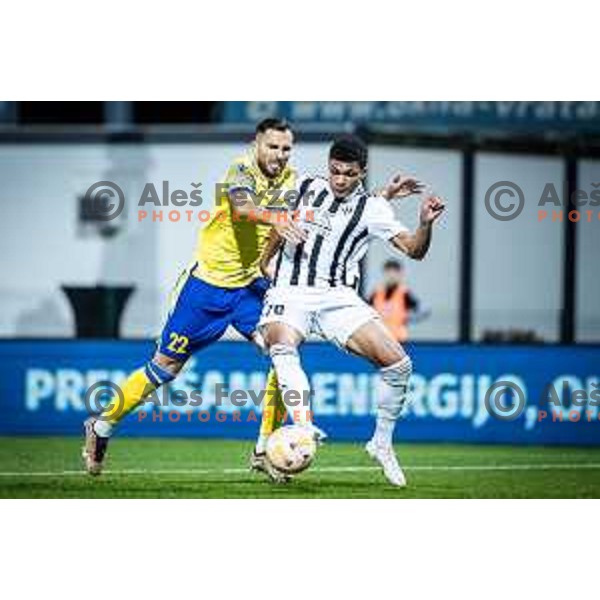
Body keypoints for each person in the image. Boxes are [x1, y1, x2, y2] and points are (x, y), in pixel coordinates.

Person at [83, 119, 421, 482]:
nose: (279, 155)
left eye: (286, 148)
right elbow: (243, 207)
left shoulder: (294, 181)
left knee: (280, 355)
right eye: (272, 147)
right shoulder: (241, 170)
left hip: (251, 289)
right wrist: (277, 217)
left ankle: (264, 450)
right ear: (257, 145)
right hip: (207, 288)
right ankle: (101, 425)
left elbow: (338, 206)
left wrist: (383, 195)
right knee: (164, 369)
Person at [258, 134, 445, 487]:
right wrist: (265, 263)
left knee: (399, 365)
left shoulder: (374, 209)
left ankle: (381, 443)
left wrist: (424, 223)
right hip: (290, 289)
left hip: (339, 297)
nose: (340, 179)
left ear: (362, 172)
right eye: (335, 171)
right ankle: (302, 424)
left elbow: (414, 251)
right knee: (281, 346)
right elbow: (279, 226)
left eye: (349, 173)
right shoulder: (305, 186)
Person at [369, 259, 430, 343]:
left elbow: (423, 310)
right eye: (388, 272)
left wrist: (407, 317)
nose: (391, 276)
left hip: (399, 340)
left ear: (400, 274)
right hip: (379, 339)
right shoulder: (376, 292)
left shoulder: (405, 293)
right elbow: (364, 310)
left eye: (394, 272)